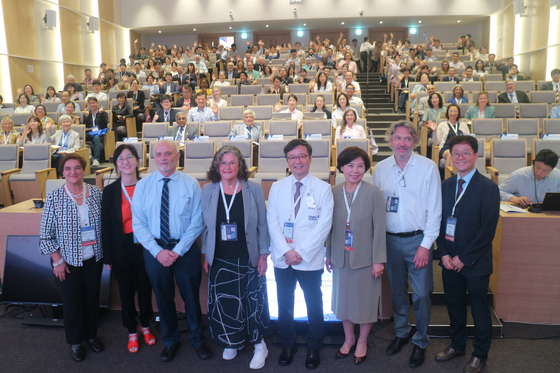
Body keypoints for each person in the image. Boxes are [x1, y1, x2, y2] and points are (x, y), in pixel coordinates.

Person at [131, 140, 211, 363]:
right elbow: (138, 224)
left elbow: (197, 222)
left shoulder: (191, 184)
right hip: (155, 251)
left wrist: (176, 251)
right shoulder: (143, 186)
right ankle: (170, 341)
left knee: (191, 299)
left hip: (184, 250)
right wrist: (158, 251)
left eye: (168, 153)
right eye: (159, 154)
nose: (163, 158)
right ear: (153, 158)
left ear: (178, 156)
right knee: (163, 299)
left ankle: (198, 341)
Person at [371, 121, 442, 369]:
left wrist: (426, 245)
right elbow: (376, 210)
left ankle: (421, 341)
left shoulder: (428, 168)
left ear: (415, 142)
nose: (402, 143)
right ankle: (402, 332)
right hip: (390, 240)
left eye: (407, 139)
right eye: (397, 139)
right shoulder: (380, 169)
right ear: (390, 141)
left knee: (422, 294)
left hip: (418, 240)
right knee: (398, 293)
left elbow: (435, 211)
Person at [267, 139, 334, 369]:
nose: (297, 161)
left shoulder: (324, 189)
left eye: (302, 156)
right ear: (287, 161)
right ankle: (289, 343)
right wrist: (287, 251)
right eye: (292, 157)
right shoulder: (277, 187)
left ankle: (314, 346)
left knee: (314, 305)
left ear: (310, 158)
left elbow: (324, 226)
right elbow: (272, 222)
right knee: (284, 304)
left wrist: (301, 252)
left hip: (309, 259)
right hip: (283, 259)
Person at [200, 146, 270, 369]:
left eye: (232, 163)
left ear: (240, 166)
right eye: (223, 163)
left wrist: (263, 255)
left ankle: (260, 344)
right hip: (219, 258)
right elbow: (206, 228)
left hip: (248, 256)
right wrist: (205, 255)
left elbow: (262, 225)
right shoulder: (209, 191)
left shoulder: (253, 189)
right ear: (216, 167)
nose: (227, 167)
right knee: (226, 303)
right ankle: (232, 341)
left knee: (253, 302)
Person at [435, 135, 500, 373]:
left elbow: (487, 231)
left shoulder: (488, 188)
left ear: (476, 156)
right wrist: (442, 253)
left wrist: (464, 258)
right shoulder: (445, 186)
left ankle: (480, 354)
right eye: (456, 153)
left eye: (465, 153)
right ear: (450, 157)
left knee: (479, 308)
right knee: (454, 305)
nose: (460, 158)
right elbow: (439, 223)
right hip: (448, 259)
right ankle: (457, 345)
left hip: (475, 262)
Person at [39, 154, 104, 362]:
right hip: (66, 262)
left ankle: (92, 336)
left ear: (83, 171)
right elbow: (45, 235)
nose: (73, 172)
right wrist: (57, 261)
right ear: (62, 172)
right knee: (73, 303)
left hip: (94, 258)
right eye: (68, 169)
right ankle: (76, 342)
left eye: (77, 168)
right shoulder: (54, 197)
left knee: (92, 300)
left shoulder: (95, 193)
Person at [326, 147, 386, 365]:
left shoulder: (374, 193)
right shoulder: (333, 191)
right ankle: (348, 338)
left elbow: (380, 228)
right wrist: (329, 254)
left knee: (365, 303)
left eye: (361, 165)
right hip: (341, 258)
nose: (355, 170)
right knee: (344, 302)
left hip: (366, 259)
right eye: (350, 165)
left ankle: (362, 341)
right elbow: (330, 227)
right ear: (341, 167)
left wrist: (378, 259)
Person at [102, 144, 156, 354]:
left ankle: (145, 326)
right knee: (126, 294)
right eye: (121, 159)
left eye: (129, 157)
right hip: (121, 248)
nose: (126, 162)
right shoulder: (110, 191)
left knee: (145, 291)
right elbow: (105, 227)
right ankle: (131, 332)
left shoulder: (148, 186)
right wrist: (108, 256)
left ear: (137, 160)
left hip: (146, 247)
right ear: (116, 164)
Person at [434, 104, 470, 168]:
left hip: (461, 148)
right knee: (451, 153)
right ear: (447, 113)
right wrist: (434, 131)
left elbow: (469, 139)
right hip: (446, 148)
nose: (453, 113)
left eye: (455, 111)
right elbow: (436, 143)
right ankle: (449, 175)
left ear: (458, 113)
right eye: (451, 111)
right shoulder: (442, 125)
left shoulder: (463, 124)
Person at [84, 97, 108, 167]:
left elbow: (104, 125)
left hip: (99, 133)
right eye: (90, 103)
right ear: (88, 104)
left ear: (97, 103)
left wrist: (100, 114)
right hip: (89, 133)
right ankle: (87, 157)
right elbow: (86, 126)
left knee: (96, 138)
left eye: (94, 103)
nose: (92, 105)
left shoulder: (103, 113)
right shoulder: (87, 113)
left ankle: (96, 159)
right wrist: (86, 117)